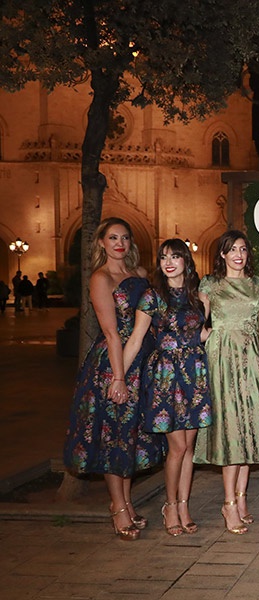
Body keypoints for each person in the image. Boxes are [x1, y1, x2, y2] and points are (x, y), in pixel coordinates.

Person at [63, 217, 165, 541]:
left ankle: (127, 502)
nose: (119, 243)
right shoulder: (101, 278)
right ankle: (118, 507)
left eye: (124, 238)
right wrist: (118, 378)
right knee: (113, 436)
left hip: (142, 361)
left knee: (130, 434)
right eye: (113, 238)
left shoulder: (140, 274)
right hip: (114, 364)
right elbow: (110, 333)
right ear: (102, 243)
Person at [194, 230, 259, 535]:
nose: (238, 255)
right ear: (222, 254)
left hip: (252, 358)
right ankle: (228, 503)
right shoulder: (211, 284)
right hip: (223, 361)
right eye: (232, 250)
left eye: (243, 249)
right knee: (231, 429)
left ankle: (242, 498)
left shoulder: (257, 284)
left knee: (249, 427)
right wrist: (211, 336)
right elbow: (198, 323)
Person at [124, 239, 212, 537]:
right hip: (166, 376)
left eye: (175, 256)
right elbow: (136, 339)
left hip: (195, 373)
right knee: (177, 447)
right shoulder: (153, 297)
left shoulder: (199, 296)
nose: (169, 262)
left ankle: (184, 505)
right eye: (163, 257)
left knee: (189, 447)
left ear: (186, 260)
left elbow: (201, 334)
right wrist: (118, 377)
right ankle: (170, 505)